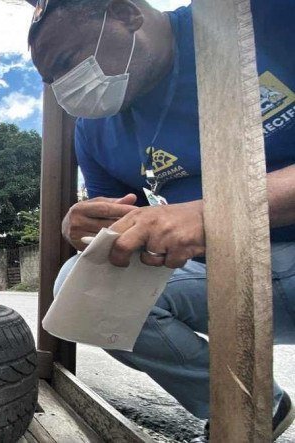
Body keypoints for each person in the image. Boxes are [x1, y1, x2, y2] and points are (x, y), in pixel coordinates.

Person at [28, 0, 295, 440]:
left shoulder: (258, 19)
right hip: (233, 274)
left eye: (66, 63)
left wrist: (219, 214)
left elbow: (206, 218)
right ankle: (251, 404)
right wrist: (94, 232)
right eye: (51, 79)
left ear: (126, 13)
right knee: (86, 284)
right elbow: (123, 236)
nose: (63, 87)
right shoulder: (96, 130)